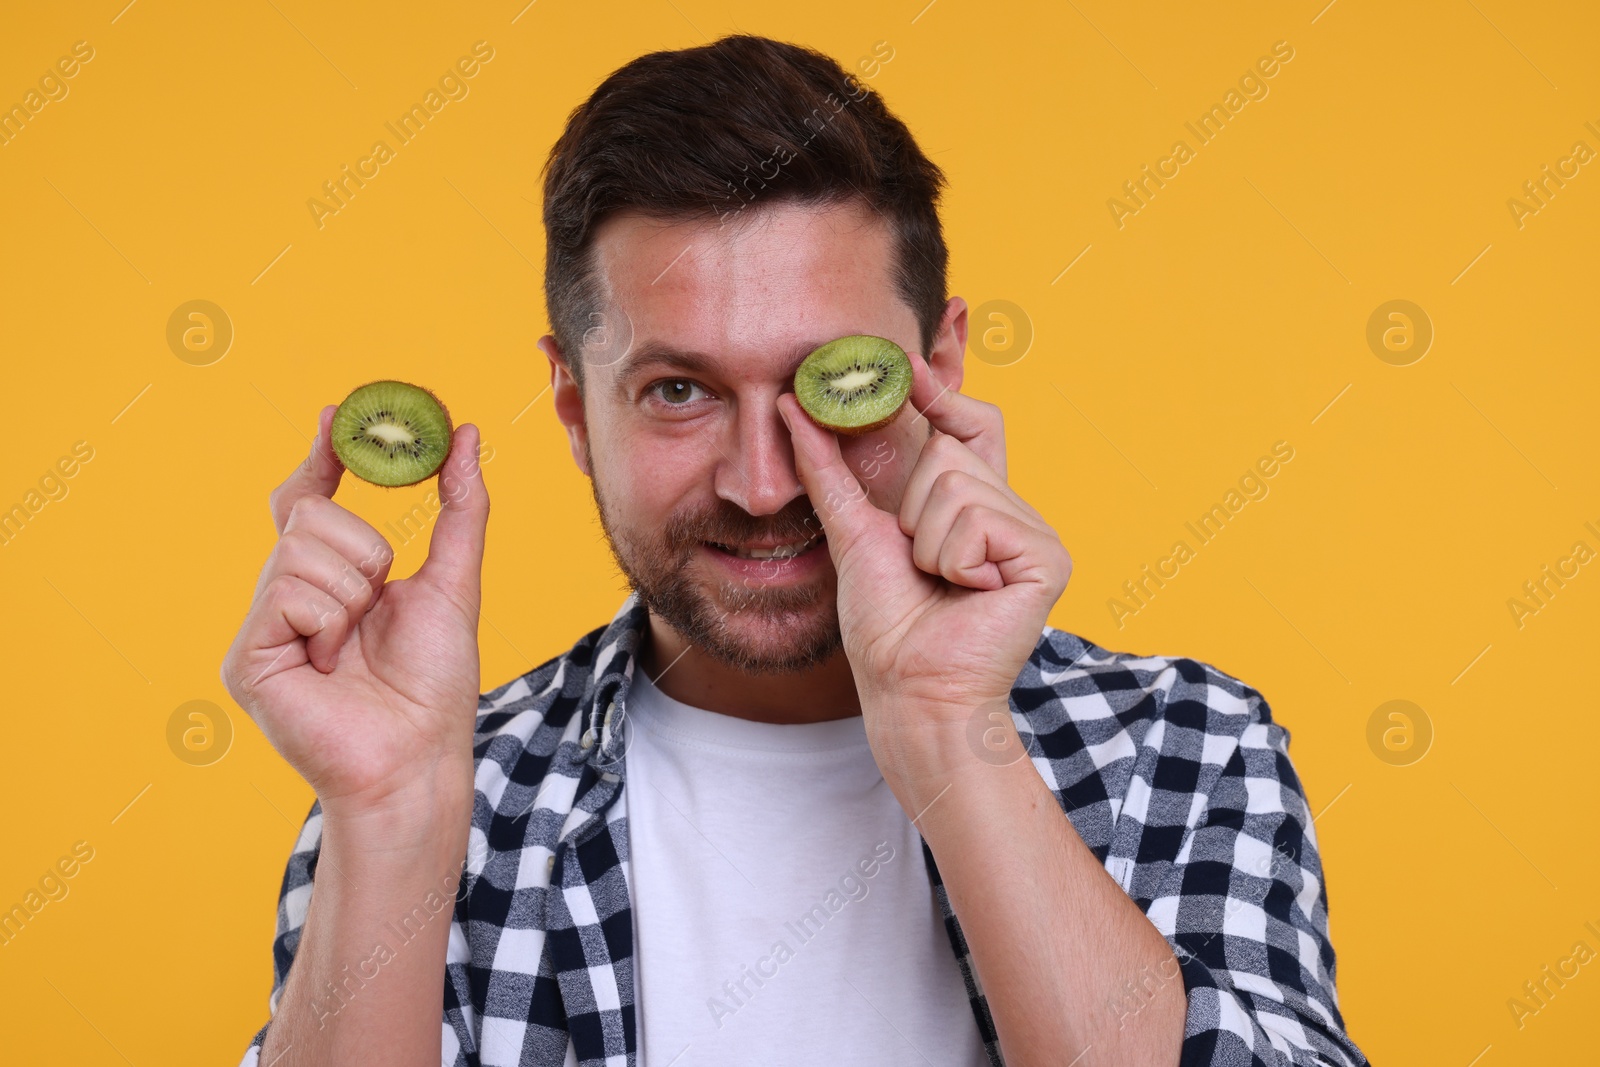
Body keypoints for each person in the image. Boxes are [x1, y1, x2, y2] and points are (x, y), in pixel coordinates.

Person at [224, 33, 1368, 1067]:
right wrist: (387, 813)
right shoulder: (436, 800)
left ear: (943, 365)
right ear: (573, 407)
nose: (764, 482)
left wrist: (945, 727)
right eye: (679, 390)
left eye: (832, 387)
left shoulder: (1186, 746)